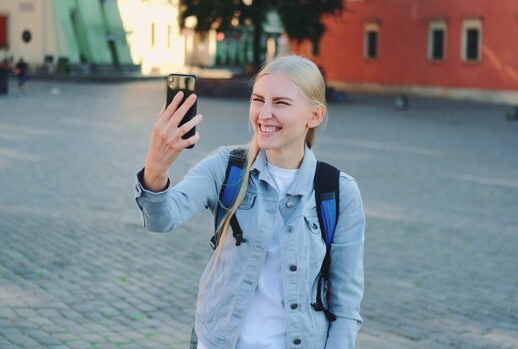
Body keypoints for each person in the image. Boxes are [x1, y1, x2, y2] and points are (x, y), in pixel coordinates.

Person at [134, 55, 365, 348]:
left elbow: (346, 307)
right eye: (258, 99)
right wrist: (156, 167)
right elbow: (161, 219)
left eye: (281, 103)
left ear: (315, 115)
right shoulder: (226, 168)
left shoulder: (338, 191)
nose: (264, 113)